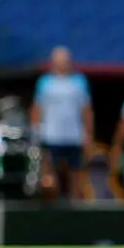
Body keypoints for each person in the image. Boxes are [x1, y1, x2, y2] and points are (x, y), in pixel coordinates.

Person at [30, 46, 92, 200]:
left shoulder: (79, 82)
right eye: (60, 61)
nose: (63, 64)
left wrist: (88, 133)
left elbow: (86, 110)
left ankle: (76, 208)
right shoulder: (45, 83)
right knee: (50, 175)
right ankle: (52, 207)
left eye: (66, 61)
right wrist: (35, 131)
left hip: (74, 136)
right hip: (51, 136)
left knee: (76, 174)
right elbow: (37, 109)